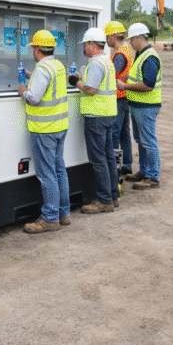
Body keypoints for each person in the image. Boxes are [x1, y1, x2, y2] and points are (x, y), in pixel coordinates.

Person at [17, 30, 71, 233]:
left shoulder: (42, 68)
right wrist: (32, 76)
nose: (32, 51)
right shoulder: (56, 65)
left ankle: (49, 218)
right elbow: (51, 85)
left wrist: (23, 90)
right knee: (59, 170)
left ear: (37, 49)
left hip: (44, 128)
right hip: (59, 126)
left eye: (33, 48)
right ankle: (63, 213)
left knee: (46, 173)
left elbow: (34, 98)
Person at [69, 27, 119, 213]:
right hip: (107, 114)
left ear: (92, 44)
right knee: (108, 158)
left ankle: (104, 201)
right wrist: (83, 78)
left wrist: (75, 82)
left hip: (96, 117)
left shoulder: (97, 63)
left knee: (98, 160)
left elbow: (91, 90)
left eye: (84, 44)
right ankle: (112, 196)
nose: (83, 47)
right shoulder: (105, 61)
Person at [116, 23, 162, 190]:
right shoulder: (140, 55)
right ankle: (144, 171)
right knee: (141, 140)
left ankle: (153, 176)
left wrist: (125, 86)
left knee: (148, 142)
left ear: (140, 38)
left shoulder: (149, 57)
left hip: (146, 106)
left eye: (132, 40)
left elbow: (148, 85)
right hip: (138, 105)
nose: (130, 43)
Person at [105, 20, 134, 176]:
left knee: (115, 134)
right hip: (124, 98)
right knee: (124, 134)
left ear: (114, 37)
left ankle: (115, 166)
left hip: (118, 98)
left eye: (108, 36)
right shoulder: (127, 50)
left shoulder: (120, 55)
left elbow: (112, 75)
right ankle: (127, 165)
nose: (106, 40)